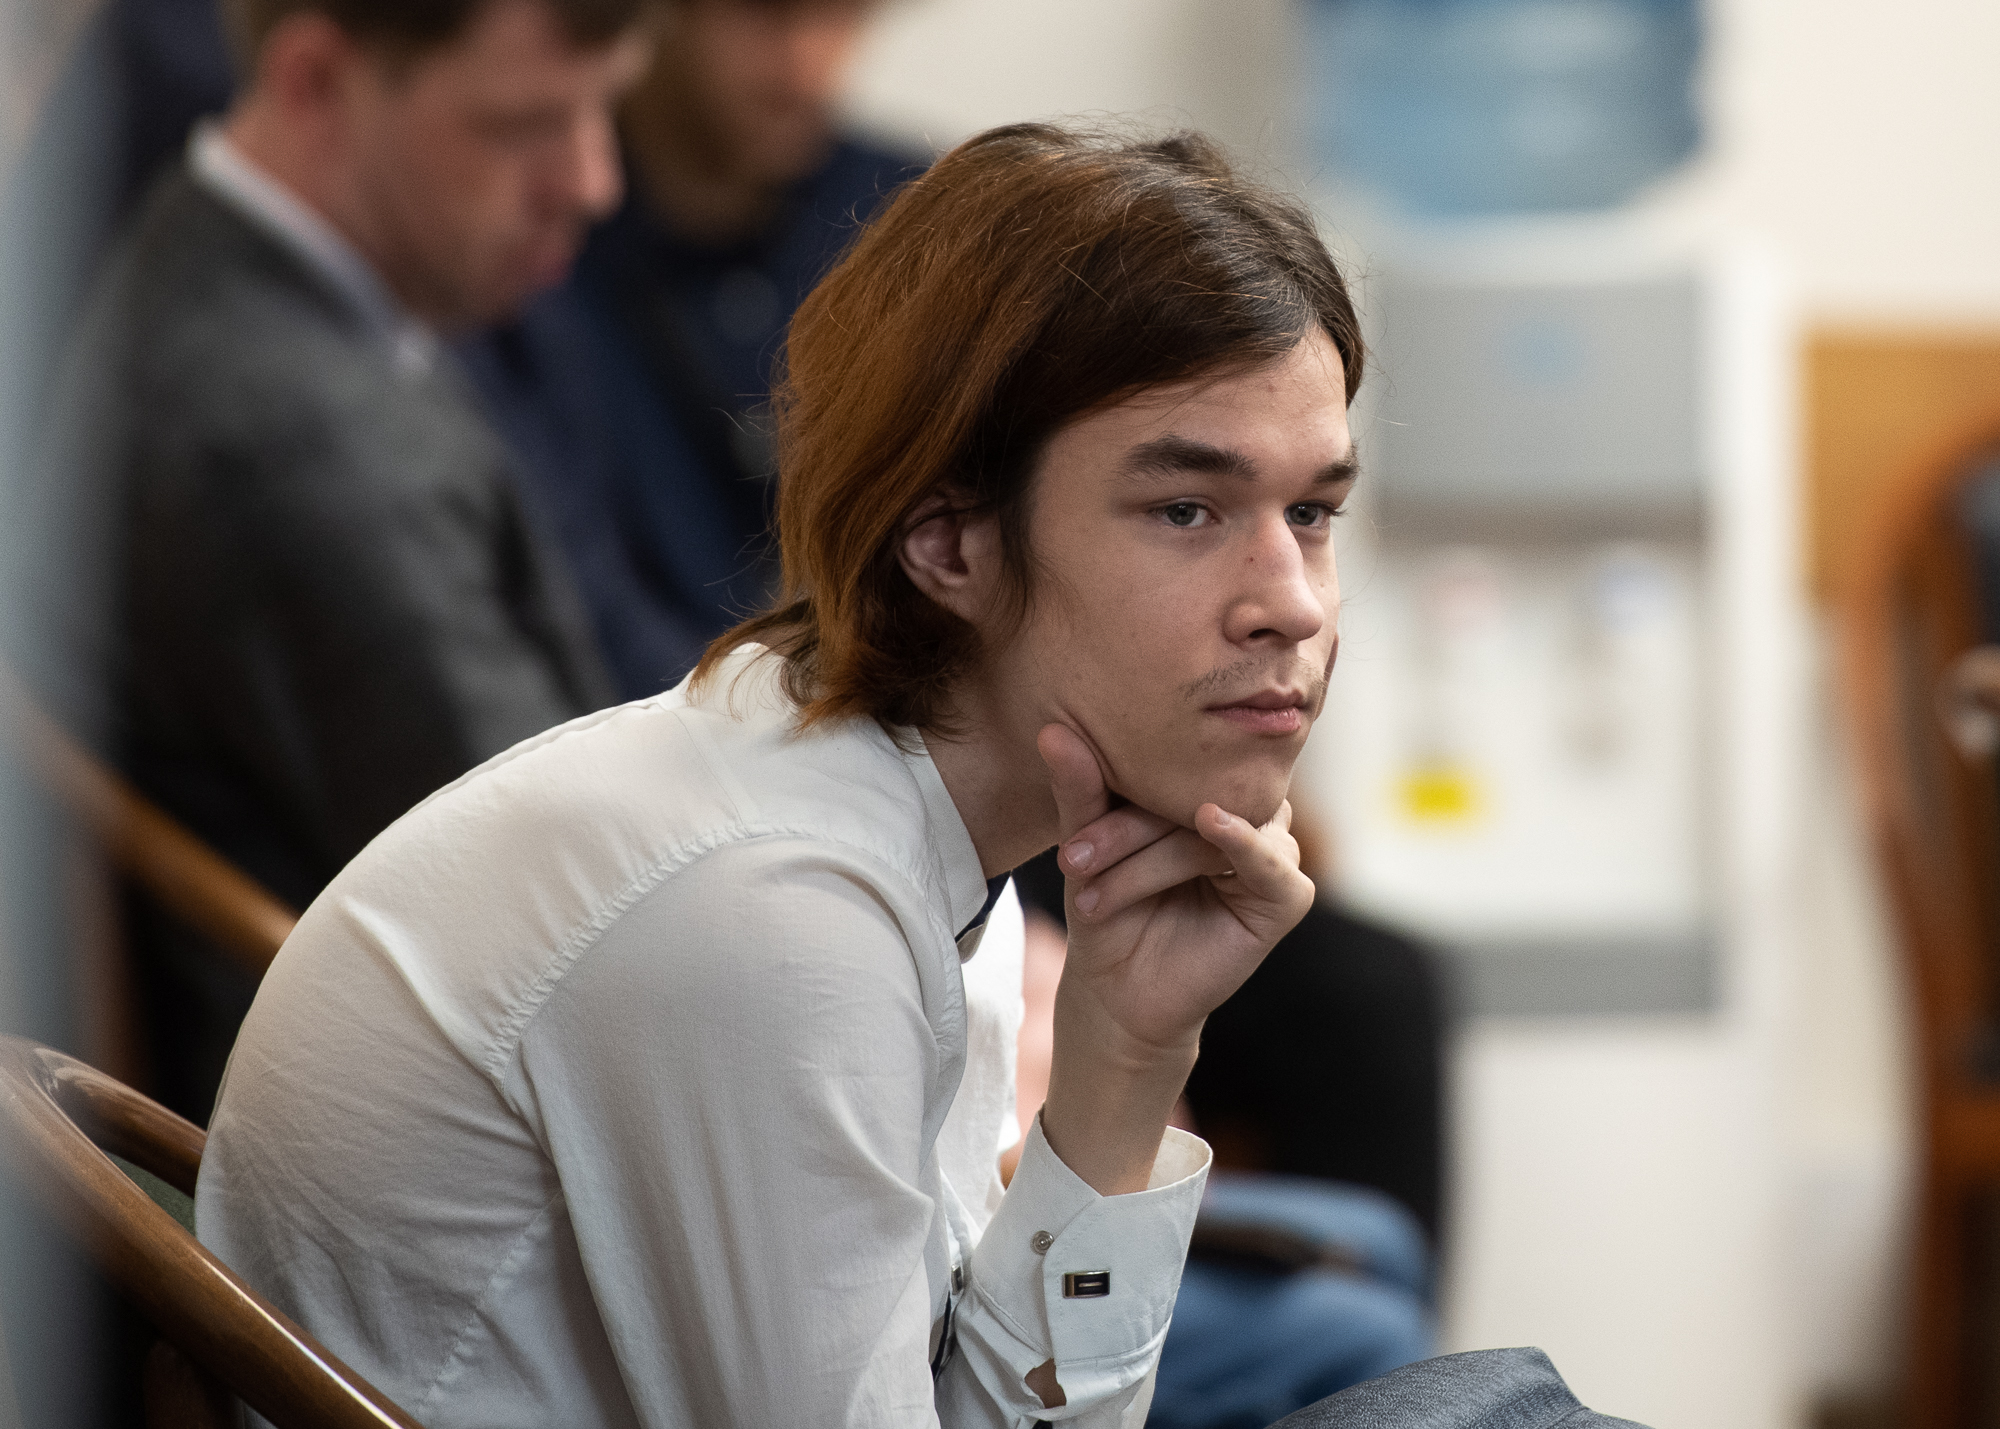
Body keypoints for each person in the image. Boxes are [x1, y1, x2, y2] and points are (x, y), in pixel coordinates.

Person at [197, 123, 1361, 1426]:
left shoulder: (904, 817)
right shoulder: (776, 909)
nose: (1291, 604)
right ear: (948, 544)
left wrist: (1126, 1055)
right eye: (1186, 511)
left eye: (1311, 513)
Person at [21, 0, 653, 1121]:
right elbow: (592, 920)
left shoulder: (223, 262)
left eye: (604, 110)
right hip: (407, 1156)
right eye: (524, 125)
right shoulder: (285, 439)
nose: (593, 182)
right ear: (314, 79)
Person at [457, 0, 920, 699]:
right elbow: (562, 589)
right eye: (765, 13)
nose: (805, 64)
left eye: (843, 15)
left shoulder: (912, 221)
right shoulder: (535, 236)